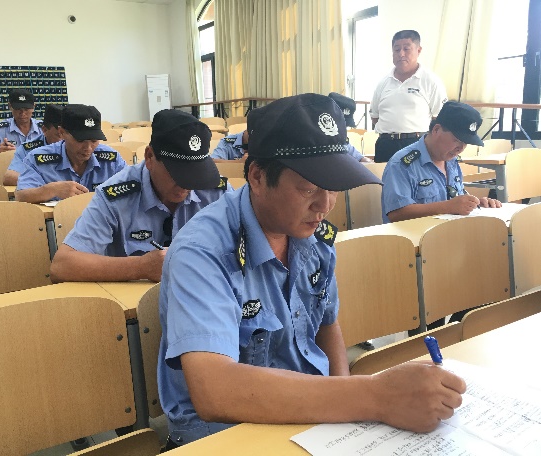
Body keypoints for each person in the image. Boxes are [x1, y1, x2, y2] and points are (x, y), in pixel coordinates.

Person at [157, 93, 466, 448]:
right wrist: (374, 397)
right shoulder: (202, 251)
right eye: (308, 189)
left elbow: (326, 325)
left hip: (312, 417)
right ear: (257, 176)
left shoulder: (312, 235)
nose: (325, 205)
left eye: (334, 187)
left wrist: (348, 420)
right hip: (227, 435)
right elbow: (215, 391)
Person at [50, 109, 231, 284]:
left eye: (196, 173)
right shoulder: (115, 195)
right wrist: (141, 267)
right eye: (177, 174)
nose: (187, 184)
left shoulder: (216, 190)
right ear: (149, 157)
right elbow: (62, 266)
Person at [381, 101, 502, 224]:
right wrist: (448, 206)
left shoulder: (451, 161)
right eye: (457, 140)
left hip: (448, 231)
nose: (461, 148)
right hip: (414, 234)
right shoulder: (402, 164)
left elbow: (455, 200)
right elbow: (396, 214)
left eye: (465, 143)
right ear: (436, 130)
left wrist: (475, 204)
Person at [15, 104, 125, 204]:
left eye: (94, 141)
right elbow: (21, 196)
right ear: (62, 132)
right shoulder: (38, 159)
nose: (88, 148)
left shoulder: (111, 159)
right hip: (58, 219)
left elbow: (132, 189)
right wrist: (52, 190)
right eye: (80, 140)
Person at [370, 30, 448, 163]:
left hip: (417, 144)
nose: (401, 54)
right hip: (386, 145)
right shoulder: (383, 83)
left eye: (406, 49)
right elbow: (375, 116)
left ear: (419, 50)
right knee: (383, 176)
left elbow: (439, 119)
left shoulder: (431, 81)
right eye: (397, 49)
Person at [3, 104, 64, 186]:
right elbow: (9, 177)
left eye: (68, 134)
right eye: (59, 135)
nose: (65, 140)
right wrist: (48, 185)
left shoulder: (76, 145)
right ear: (45, 130)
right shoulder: (28, 149)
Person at [0, 89, 44, 159]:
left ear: (33, 107)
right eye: (18, 109)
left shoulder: (45, 128)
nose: (23, 113)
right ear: (10, 106)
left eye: (26, 109)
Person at [329, 92, 373, 163]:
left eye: (346, 125)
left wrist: (367, 161)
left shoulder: (341, 139)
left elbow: (356, 155)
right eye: (339, 123)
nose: (343, 128)